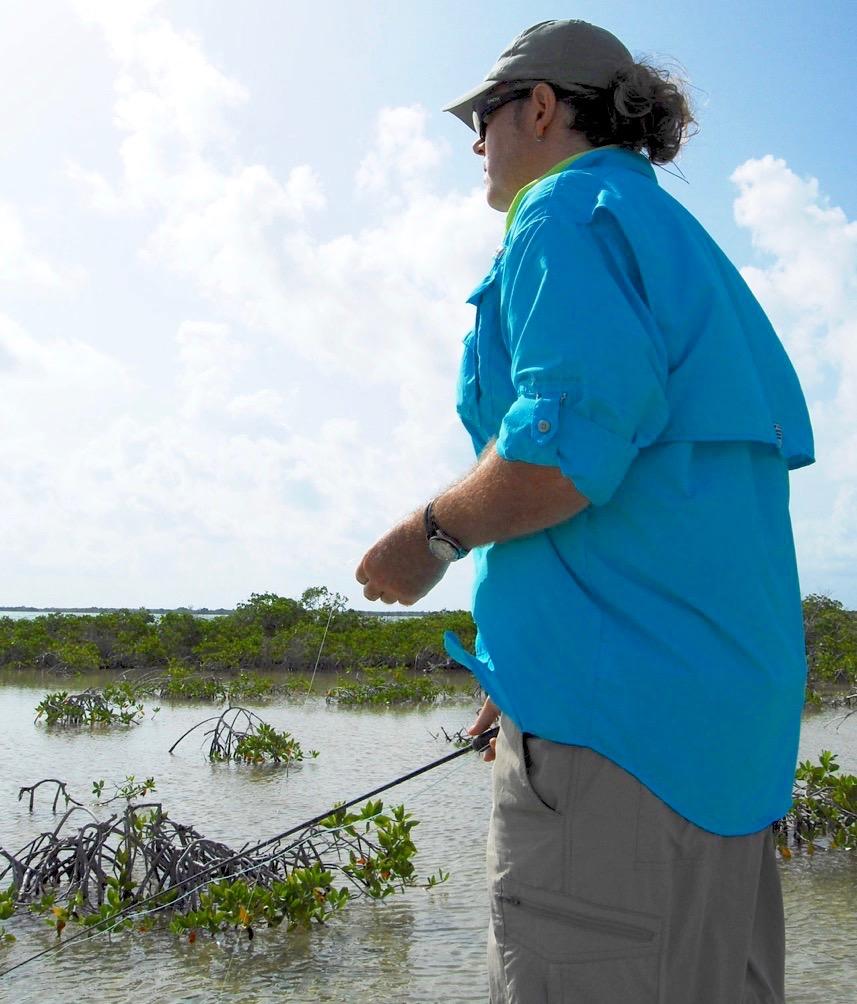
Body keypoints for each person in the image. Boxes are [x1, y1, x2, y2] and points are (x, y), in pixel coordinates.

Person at [355, 18, 814, 1004]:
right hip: (725, 744)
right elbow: (665, 512)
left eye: (481, 118)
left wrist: (427, 535)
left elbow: (564, 455)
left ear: (538, 106)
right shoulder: (681, 245)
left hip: (619, 741)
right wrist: (528, 670)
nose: (475, 144)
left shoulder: (561, 213)